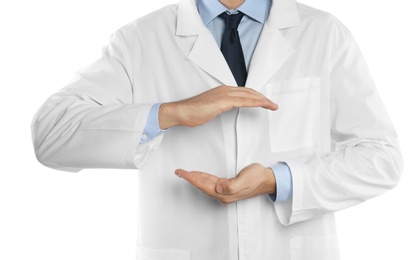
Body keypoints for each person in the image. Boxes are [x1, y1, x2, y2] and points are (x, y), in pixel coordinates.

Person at [31, 0, 403, 259]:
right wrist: (172, 112)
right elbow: (51, 134)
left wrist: (278, 180)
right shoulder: (139, 40)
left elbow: (381, 158)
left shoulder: (324, 34)